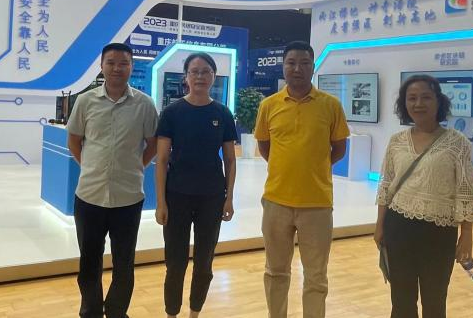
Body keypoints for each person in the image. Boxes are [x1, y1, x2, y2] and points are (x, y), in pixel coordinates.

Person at [254, 41, 349, 318]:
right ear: (283, 66)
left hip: (317, 204)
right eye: (291, 63)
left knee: (316, 276)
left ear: (313, 66)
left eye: (304, 63)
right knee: (275, 272)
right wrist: (287, 166)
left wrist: (314, 167)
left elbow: (339, 148)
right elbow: (264, 146)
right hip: (276, 201)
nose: (297, 68)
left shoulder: (331, 105)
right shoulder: (268, 105)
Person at [66, 42, 158, 318]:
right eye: (111, 62)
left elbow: (153, 144)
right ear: (102, 66)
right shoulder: (85, 101)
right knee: (89, 263)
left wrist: (135, 167)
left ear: (132, 66)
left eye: (123, 63)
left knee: (124, 264)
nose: (117, 68)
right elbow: (74, 140)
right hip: (89, 196)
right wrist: (90, 166)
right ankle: (91, 311)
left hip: (128, 198)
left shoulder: (144, 104)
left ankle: (117, 312)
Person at [374, 75, 473, 318]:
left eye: (426, 97)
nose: (418, 103)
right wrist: (379, 226)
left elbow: (465, 191)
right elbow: (386, 185)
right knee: (401, 300)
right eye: (411, 98)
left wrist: (467, 234)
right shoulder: (397, 141)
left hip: (439, 232)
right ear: (404, 104)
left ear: (438, 101)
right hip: (398, 227)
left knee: (435, 300)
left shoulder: (458, 143)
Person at [154, 52, 237, 318]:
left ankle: (194, 313)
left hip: (211, 197)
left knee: (204, 263)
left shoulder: (222, 113)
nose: (200, 76)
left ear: (214, 76)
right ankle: (171, 313)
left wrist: (229, 198)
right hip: (176, 196)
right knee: (175, 263)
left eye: (206, 72)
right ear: (186, 77)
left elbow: (230, 160)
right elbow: (161, 159)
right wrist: (160, 202)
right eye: (195, 71)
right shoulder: (171, 112)